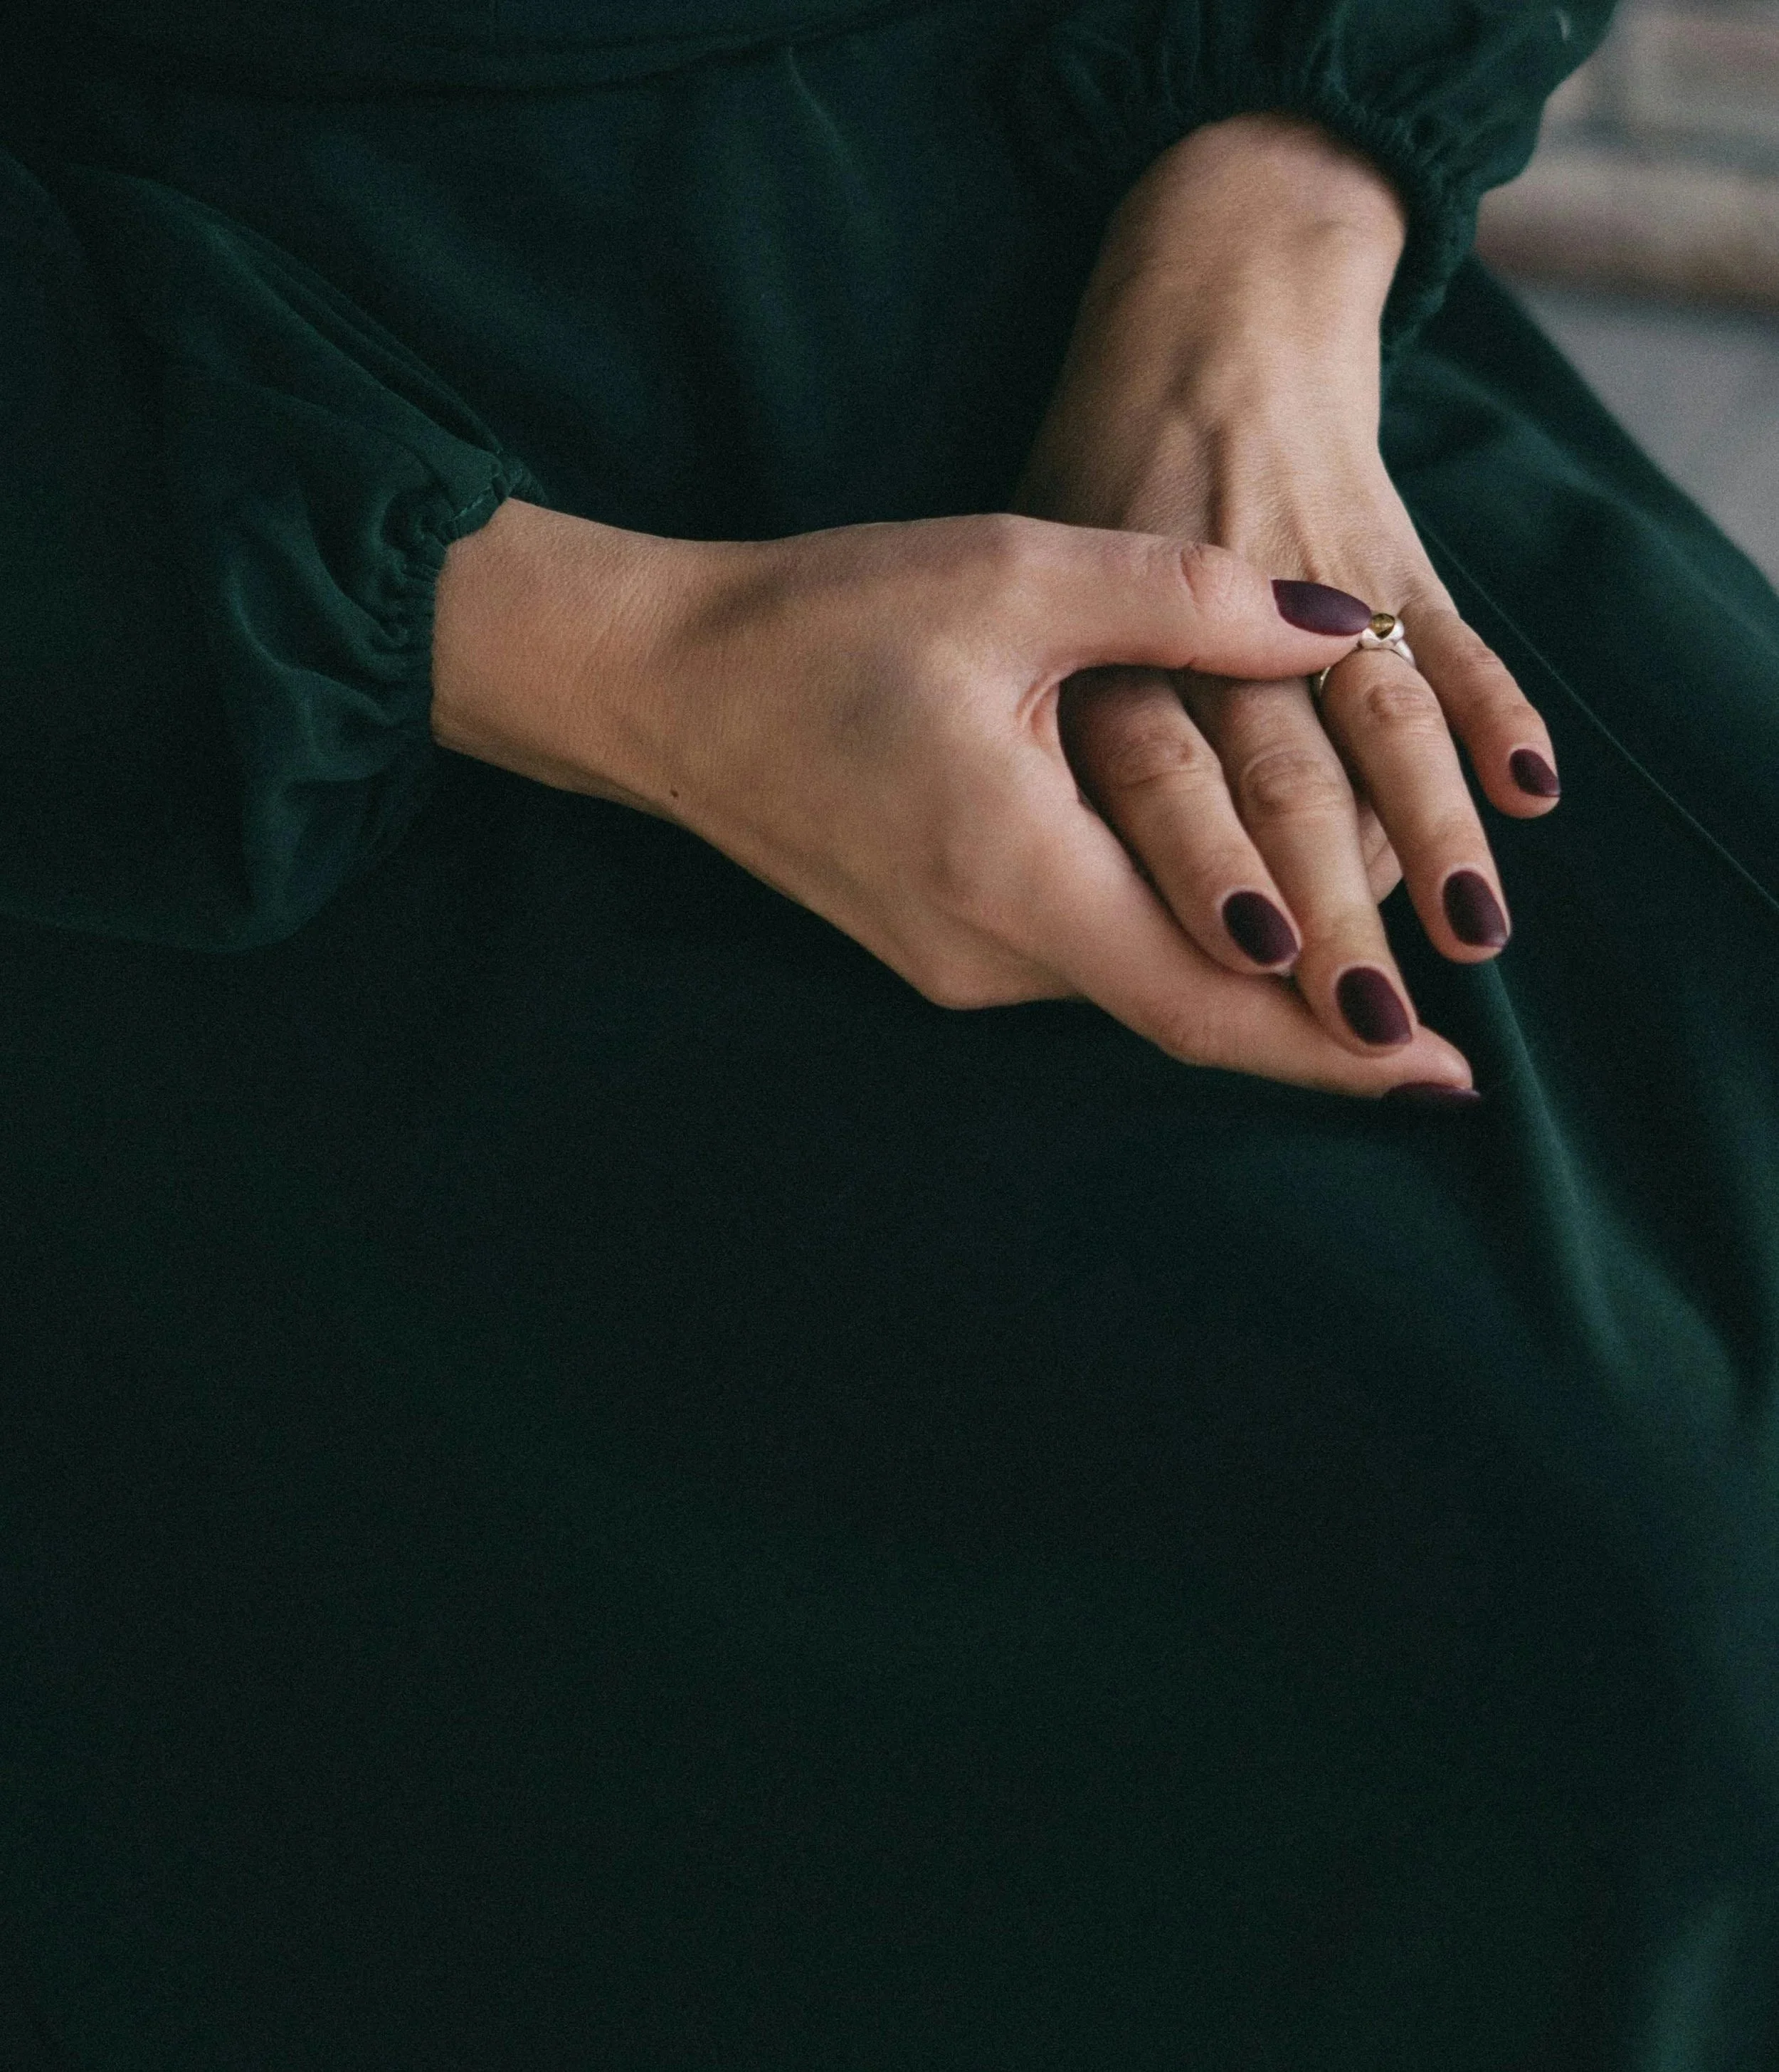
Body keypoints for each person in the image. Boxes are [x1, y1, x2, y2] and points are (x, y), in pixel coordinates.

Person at [3, 0, 1778, 2063]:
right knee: (1566, 1680)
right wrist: (620, 654)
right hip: (185, 550)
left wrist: (1268, 249)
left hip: (1151, 239)